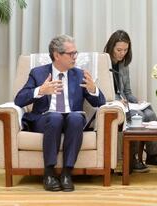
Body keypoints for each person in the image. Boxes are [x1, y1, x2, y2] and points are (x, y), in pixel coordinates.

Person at [14, 34, 106, 192]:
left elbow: (100, 103)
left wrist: (93, 89)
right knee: (55, 117)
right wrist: (40, 90)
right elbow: (19, 100)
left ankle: (66, 173)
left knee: (77, 117)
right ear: (57, 55)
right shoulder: (38, 73)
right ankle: (49, 173)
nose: (75, 57)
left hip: (72, 121)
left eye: (76, 53)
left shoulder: (79, 74)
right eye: (71, 54)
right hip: (46, 120)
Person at [104, 30, 157, 173]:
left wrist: (138, 101)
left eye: (125, 49)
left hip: (124, 103)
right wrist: (118, 101)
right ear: (111, 47)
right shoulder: (103, 63)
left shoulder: (123, 65)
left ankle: (152, 155)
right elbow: (104, 92)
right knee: (138, 117)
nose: (122, 53)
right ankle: (132, 158)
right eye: (119, 50)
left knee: (149, 112)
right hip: (111, 103)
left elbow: (127, 92)